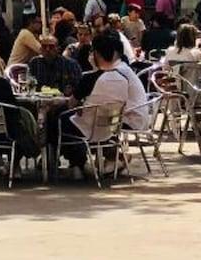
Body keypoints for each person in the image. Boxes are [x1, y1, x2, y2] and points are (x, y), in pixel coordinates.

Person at [63, 30, 149, 174]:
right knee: (98, 121)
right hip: (129, 116)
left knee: (61, 120)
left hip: (120, 120)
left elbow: (77, 106)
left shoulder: (103, 77)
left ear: (96, 54)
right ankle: (114, 156)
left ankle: (76, 164)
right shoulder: (124, 70)